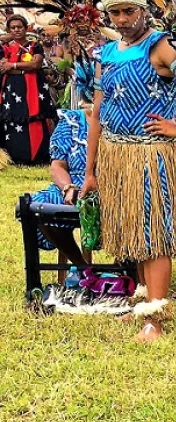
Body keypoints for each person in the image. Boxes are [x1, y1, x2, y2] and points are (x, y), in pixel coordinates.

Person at [80, 0, 176, 342]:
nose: (123, 19)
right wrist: (90, 171)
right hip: (115, 154)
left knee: (153, 232)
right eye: (116, 12)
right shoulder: (106, 53)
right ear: (107, 14)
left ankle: (155, 319)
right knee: (134, 230)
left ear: (144, 11)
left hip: (151, 154)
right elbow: (97, 114)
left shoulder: (159, 48)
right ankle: (145, 302)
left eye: (130, 12)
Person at [29, 60, 96, 267]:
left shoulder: (122, 122)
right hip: (73, 183)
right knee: (39, 205)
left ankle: (125, 270)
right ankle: (83, 267)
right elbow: (58, 165)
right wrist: (68, 187)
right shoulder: (71, 120)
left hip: (111, 187)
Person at [1, 14, 54, 165]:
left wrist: (14, 66)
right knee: (13, 118)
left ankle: (36, 156)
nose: (16, 30)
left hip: (33, 90)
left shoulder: (34, 46)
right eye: (13, 28)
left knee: (34, 118)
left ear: (25, 28)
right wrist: (23, 70)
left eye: (20, 27)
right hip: (12, 89)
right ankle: (15, 156)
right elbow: (3, 67)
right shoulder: (5, 48)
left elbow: (36, 65)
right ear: (9, 30)